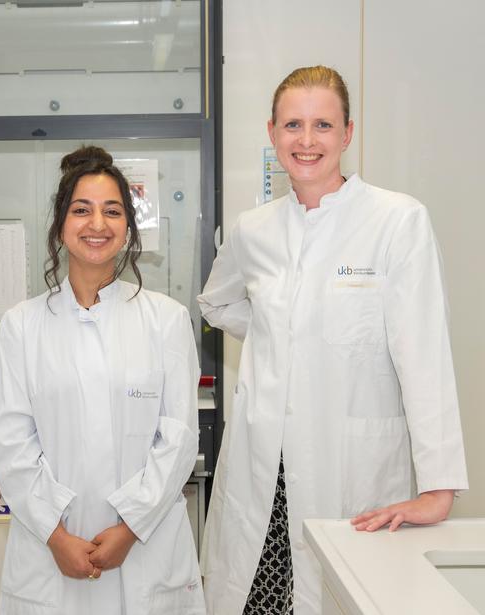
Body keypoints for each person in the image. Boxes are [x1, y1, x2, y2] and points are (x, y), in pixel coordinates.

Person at [198, 65, 469, 615]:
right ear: (272, 132)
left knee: (344, 596)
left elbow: (425, 357)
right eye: (293, 125)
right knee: (260, 598)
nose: (306, 140)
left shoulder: (397, 221)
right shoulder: (253, 229)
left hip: (351, 470)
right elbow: (216, 302)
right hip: (263, 473)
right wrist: (286, 336)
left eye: (323, 125)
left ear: (348, 134)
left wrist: (439, 488)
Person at [0, 146, 206, 615]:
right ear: (60, 224)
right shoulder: (22, 325)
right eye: (81, 210)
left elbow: (179, 438)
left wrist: (131, 526)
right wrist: (56, 534)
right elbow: (10, 444)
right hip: (51, 555)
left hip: (146, 550)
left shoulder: (167, 320)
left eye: (112, 211)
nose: (97, 224)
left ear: (128, 227)